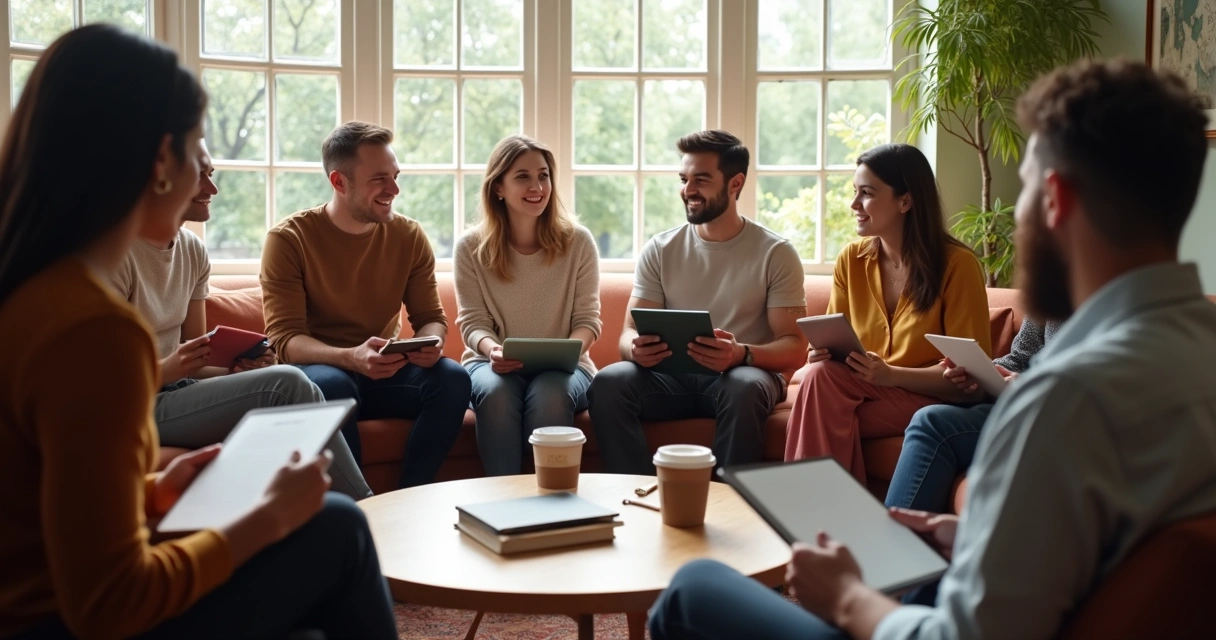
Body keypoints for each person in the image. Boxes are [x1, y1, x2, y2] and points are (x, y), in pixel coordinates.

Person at [649, 58, 1216, 640]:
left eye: (1023, 189)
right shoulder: (1199, 351)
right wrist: (965, 535)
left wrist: (848, 598)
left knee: (694, 588)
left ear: (1055, 199)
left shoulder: (1064, 401)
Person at [0, 25, 395, 640]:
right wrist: (263, 520)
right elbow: (108, 603)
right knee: (339, 528)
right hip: (48, 626)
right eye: (194, 154)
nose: (204, 179)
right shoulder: (93, 331)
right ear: (161, 162)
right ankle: (378, 528)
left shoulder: (31, 291)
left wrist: (154, 493)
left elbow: (44, 508)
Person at [110, 140, 371, 499]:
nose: (213, 189)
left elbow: (195, 358)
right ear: (159, 181)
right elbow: (106, 383)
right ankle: (367, 508)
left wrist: (240, 371)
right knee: (287, 384)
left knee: (281, 381)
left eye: (212, 175)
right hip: (135, 405)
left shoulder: (192, 249)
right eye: (200, 176)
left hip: (177, 391)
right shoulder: (115, 256)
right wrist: (173, 368)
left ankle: (331, 518)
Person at [261, 121, 470, 488]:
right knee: (333, 384)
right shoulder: (288, 239)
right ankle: (363, 505)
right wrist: (349, 356)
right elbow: (286, 340)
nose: (394, 189)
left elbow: (431, 318)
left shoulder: (408, 235)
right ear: (340, 182)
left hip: (384, 371)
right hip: (322, 372)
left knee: (452, 379)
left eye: (395, 176)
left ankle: (410, 497)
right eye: (379, 179)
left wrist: (430, 341)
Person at [588, 130, 807, 474]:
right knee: (608, 383)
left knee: (745, 386)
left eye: (701, 179)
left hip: (741, 378)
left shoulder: (775, 253)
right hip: (670, 380)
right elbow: (627, 334)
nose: (688, 190)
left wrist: (742, 354)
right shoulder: (661, 249)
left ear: (735, 184)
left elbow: (795, 348)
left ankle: (727, 505)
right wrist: (635, 349)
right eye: (684, 179)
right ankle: (637, 496)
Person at [783, 143, 992, 485]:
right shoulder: (851, 259)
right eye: (855, 192)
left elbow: (969, 383)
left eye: (866, 193)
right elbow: (831, 346)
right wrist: (818, 351)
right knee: (820, 376)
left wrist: (891, 374)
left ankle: (809, 516)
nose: (854, 205)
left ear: (905, 201)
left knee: (817, 401)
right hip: (860, 389)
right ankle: (833, 518)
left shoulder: (958, 265)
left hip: (931, 395)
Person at [454, 135, 601, 476]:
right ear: (498, 188)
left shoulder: (578, 242)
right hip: (489, 364)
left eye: (544, 175)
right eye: (522, 176)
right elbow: (473, 323)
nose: (537, 186)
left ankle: (549, 501)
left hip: (566, 368)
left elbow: (588, 320)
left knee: (550, 393)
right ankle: (504, 499)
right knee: (497, 393)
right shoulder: (470, 247)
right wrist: (492, 351)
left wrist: (567, 351)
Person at [884, 317, 1058, 514]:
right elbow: (1019, 357)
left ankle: (894, 540)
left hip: (1061, 413)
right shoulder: (1052, 292)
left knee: (933, 424)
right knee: (930, 419)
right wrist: (983, 374)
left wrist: (1030, 384)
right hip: (1021, 404)